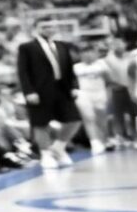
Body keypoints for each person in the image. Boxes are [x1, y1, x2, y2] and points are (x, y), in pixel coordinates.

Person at [17, 20, 82, 169]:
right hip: (39, 91)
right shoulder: (27, 47)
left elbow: (69, 70)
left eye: (51, 26)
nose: (48, 29)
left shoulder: (62, 45)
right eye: (44, 27)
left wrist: (74, 86)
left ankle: (58, 147)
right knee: (41, 123)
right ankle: (45, 154)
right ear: (36, 29)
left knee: (74, 119)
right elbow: (23, 72)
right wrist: (29, 91)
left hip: (62, 88)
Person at [73, 45, 112, 154]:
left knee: (101, 118)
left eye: (91, 52)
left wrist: (108, 94)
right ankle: (94, 141)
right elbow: (73, 82)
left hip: (100, 93)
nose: (88, 55)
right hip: (84, 94)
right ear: (81, 55)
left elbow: (108, 80)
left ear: (95, 53)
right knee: (88, 117)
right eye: (85, 52)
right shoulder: (76, 67)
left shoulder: (102, 64)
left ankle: (104, 140)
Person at [104, 37, 137, 145]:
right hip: (116, 89)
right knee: (118, 114)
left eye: (120, 43)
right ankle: (122, 135)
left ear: (125, 44)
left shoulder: (132, 57)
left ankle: (135, 135)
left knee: (134, 113)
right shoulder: (108, 59)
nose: (118, 46)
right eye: (115, 44)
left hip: (132, 88)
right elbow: (106, 75)